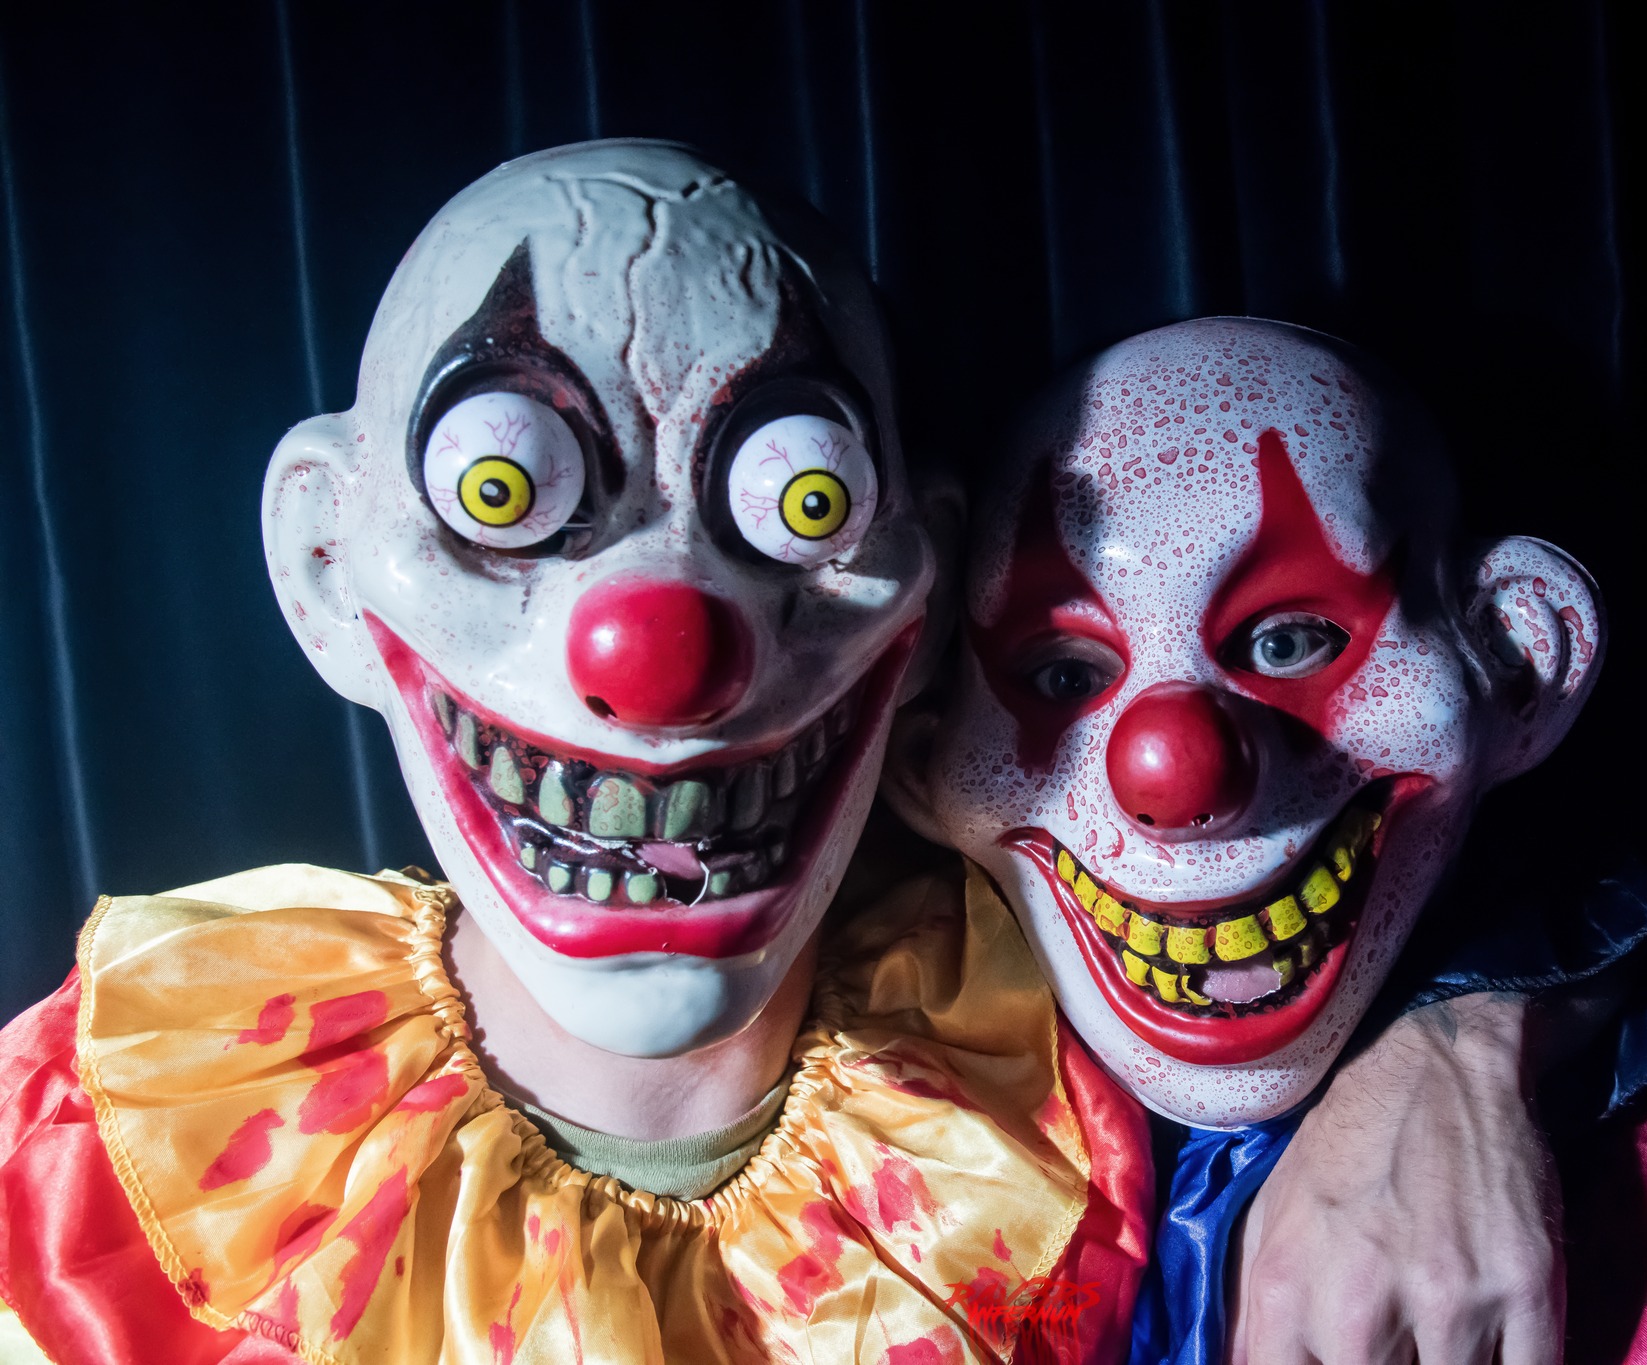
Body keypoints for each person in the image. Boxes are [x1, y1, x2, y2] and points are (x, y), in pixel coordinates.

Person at [0, 139, 1155, 1365]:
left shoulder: (1068, 1098)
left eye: (804, 503)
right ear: (324, 566)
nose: (662, 659)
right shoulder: (93, 1150)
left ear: (927, 585)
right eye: (499, 490)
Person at [886, 317, 1647, 1364]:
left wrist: (1473, 1026)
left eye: (1289, 640)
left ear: (1519, 660)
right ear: (919, 757)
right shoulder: (859, 1179)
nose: (1173, 776)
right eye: (1061, 673)